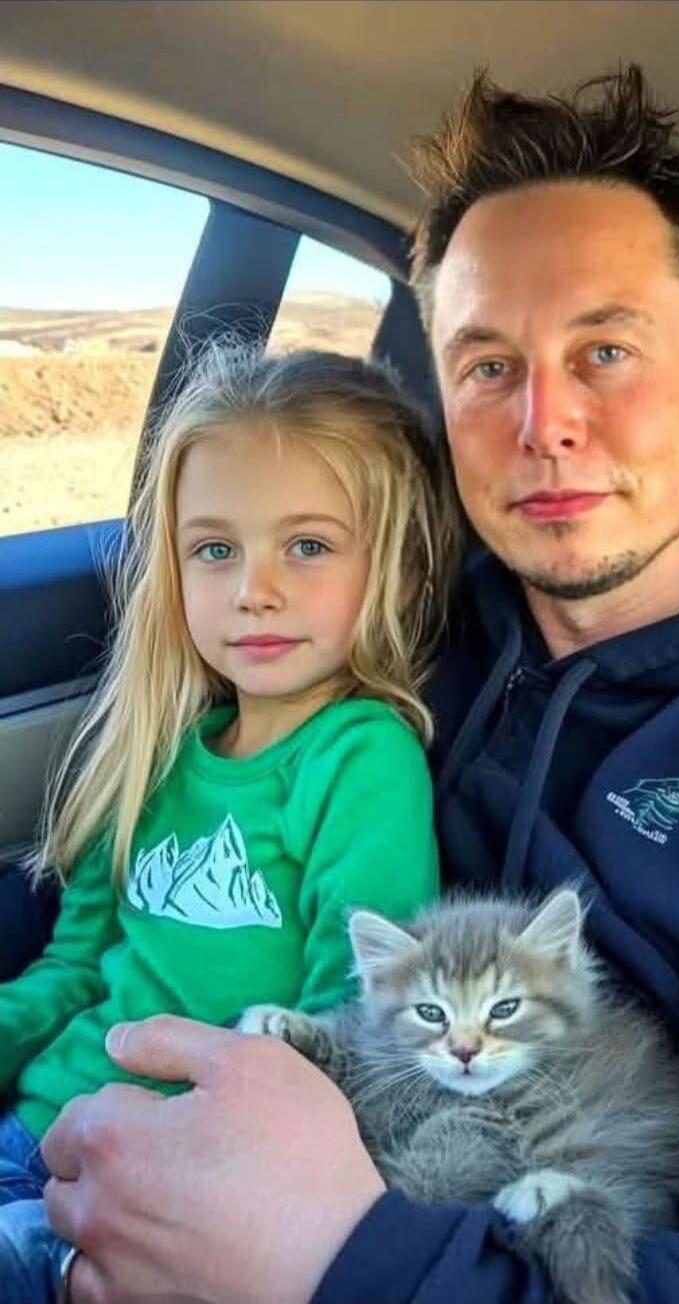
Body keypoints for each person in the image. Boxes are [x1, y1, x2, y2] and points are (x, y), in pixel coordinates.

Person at [13, 67, 679, 1304]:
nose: (543, 422)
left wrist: (333, 1263)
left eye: (605, 351)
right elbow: (167, 884)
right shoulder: (386, 621)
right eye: (486, 366)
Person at [0, 345, 458, 1301]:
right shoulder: (161, 753)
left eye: (308, 546)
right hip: (35, 1127)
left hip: (163, 1182)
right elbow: (75, 967)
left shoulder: (361, 759)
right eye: (215, 550)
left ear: (403, 569)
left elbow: (350, 1016)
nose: (255, 588)